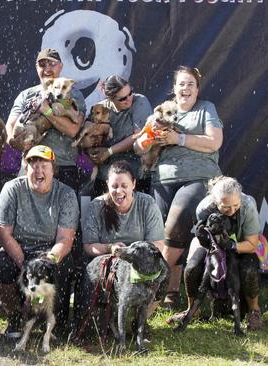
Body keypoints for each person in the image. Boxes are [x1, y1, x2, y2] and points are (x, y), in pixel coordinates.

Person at [135, 66, 223, 309]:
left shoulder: (206, 109)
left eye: (190, 84)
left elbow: (214, 142)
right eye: (181, 84)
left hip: (199, 177)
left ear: (197, 89)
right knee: (160, 235)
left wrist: (179, 139)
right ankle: (171, 293)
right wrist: (150, 137)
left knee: (174, 226)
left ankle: (152, 286)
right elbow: (138, 148)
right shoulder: (159, 113)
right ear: (174, 89)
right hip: (161, 179)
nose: (185, 89)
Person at [0, 145, 79, 337]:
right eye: (33, 165)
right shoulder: (12, 188)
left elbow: (65, 239)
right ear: (25, 168)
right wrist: (25, 265)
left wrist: (45, 263)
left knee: (64, 266)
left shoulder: (66, 194)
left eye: (43, 165)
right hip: (18, 250)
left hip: (49, 252)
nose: (38, 170)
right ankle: (16, 316)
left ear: (53, 169)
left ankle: (53, 321)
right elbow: (3, 232)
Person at [167, 176, 264, 330]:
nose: (231, 210)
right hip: (212, 247)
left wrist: (231, 245)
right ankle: (193, 309)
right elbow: (200, 241)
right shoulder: (204, 208)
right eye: (226, 207)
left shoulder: (248, 206)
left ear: (240, 198)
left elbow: (253, 244)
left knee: (249, 269)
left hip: (242, 245)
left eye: (235, 205)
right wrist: (204, 238)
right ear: (215, 202)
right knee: (192, 268)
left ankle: (254, 311)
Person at [81, 161, 165, 322]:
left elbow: (158, 244)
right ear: (107, 185)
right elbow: (88, 246)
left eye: (124, 185)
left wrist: (132, 254)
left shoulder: (147, 203)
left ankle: (139, 321)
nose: (119, 191)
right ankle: (101, 318)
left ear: (133, 184)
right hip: (108, 259)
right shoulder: (96, 205)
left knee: (163, 271)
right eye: (114, 186)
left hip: (140, 260)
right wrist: (109, 247)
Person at [5, 48, 86, 190]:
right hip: (31, 166)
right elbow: (10, 127)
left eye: (52, 64)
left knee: (64, 212)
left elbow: (73, 130)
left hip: (63, 167)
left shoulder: (73, 94)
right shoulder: (26, 95)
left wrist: (46, 110)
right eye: (42, 65)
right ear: (37, 68)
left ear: (60, 66)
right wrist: (14, 141)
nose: (47, 69)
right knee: (26, 212)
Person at [87, 75, 153, 196]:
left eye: (130, 93)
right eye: (122, 99)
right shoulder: (99, 109)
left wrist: (109, 151)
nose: (129, 99)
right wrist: (93, 151)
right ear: (110, 98)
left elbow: (139, 135)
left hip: (136, 173)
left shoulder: (140, 101)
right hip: (106, 176)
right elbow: (89, 137)